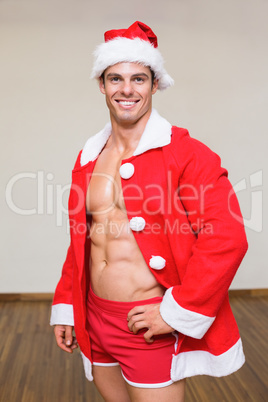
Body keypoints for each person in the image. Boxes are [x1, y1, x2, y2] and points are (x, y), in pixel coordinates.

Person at [50, 21, 248, 402]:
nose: (126, 89)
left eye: (138, 79)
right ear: (102, 85)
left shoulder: (188, 154)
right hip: (95, 318)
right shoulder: (89, 157)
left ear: (155, 84)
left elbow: (227, 238)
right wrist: (67, 306)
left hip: (148, 325)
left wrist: (176, 313)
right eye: (115, 79)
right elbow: (81, 242)